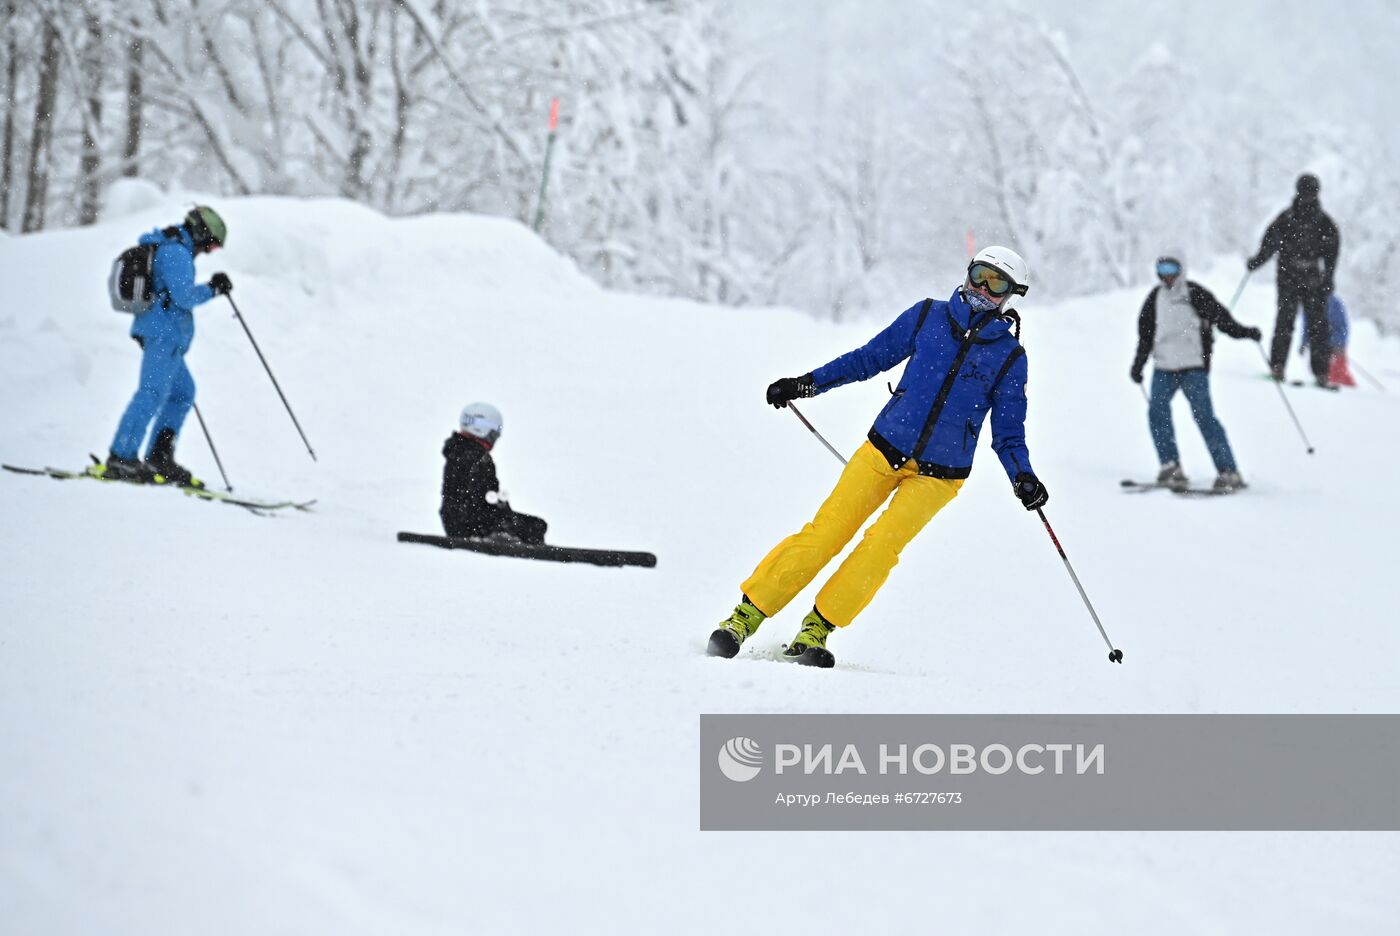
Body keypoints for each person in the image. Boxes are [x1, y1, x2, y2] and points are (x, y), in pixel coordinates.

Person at [706, 247, 1047, 668]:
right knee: (826, 533)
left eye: (996, 283)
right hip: (883, 449)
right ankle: (746, 615)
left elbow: (1009, 434)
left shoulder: (1010, 357)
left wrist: (1023, 477)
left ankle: (817, 628)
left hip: (941, 475)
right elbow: (868, 359)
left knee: (881, 547)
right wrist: (806, 384)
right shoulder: (928, 317)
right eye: (979, 274)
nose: (982, 287)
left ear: (1012, 295)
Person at [100, 206, 232, 486]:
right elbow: (183, 298)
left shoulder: (174, 249)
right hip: (163, 335)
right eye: (209, 246)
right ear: (199, 233)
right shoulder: (175, 253)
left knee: (183, 392)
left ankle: (159, 457)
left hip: (165, 336)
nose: (208, 252)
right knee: (151, 394)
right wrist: (213, 289)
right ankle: (121, 458)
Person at [1130, 249, 1261, 492]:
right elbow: (1145, 336)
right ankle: (1171, 466)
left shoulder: (1195, 294)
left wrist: (1246, 332)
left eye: (1171, 269)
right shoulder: (1154, 299)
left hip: (1193, 367)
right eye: (1161, 270)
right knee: (1157, 414)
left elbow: (1223, 320)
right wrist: (1138, 364)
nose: (1166, 276)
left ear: (1182, 269)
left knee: (1204, 417)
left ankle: (1229, 471)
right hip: (1163, 367)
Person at [1247, 173, 1340, 386]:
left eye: (1311, 192)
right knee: (1285, 321)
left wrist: (1328, 277)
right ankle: (1278, 366)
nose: (1308, 195)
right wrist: (1257, 261)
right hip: (1288, 275)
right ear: (1299, 191)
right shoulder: (1286, 219)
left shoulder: (1322, 222)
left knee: (1317, 324)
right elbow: (1269, 244)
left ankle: (1321, 372)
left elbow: (1332, 253)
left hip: (1312, 278)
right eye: (1305, 191)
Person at [440, 402, 547, 545]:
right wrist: (501, 521)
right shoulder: (476, 457)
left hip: (459, 523)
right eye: (494, 432)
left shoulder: (458, 451)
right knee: (536, 526)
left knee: (533, 525)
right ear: (481, 429)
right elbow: (482, 499)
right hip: (474, 526)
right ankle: (521, 551)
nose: (495, 438)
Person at [1300, 293, 1356, 387]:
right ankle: (1325, 382)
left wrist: (1337, 342)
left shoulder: (1334, 302)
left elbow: (1341, 325)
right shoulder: (1309, 301)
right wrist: (1304, 342)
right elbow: (1307, 325)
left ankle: (1348, 389)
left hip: (1335, 342)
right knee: (1327, 369)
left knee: (1339, 370)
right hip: (1320, 342)